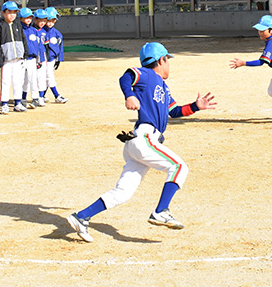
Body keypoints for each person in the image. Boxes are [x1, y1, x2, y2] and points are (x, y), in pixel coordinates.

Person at [66, 42, 216, 243]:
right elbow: (126, 76)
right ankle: (161, 211)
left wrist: (195, 106)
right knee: (179, 167)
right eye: (167, 60)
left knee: (123, 192)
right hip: (145, 138)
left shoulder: (163, 86)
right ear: (161, 60)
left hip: (139, 143)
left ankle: (81, 217)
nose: (169, 64)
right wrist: (129, 95)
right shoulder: (147, 75)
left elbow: (174, 111)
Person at [0, 1, 28, 114]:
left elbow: (23, 39)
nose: (12, 15)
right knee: (5, 82)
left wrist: (25, 53)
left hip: (18, 58)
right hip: (6, 60)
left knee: (18, 81)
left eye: (14, 12)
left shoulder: (18, 24)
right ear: (3, 13)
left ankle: (17, 103)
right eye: (9, 12)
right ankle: (4, 104)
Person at [19, 7, 45, 109]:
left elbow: (38, 46)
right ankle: (23, 98)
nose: (28, 19)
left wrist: (38, 60)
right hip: (22, 59)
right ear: (20, 18)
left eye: (30, 17)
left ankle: (35, 98)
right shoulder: (19, 30)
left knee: (33, 79)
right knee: (23, 80)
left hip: (32, 59)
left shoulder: (34, 31)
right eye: (26, 17)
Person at [39, 7, 67, 104]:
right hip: (43, 59)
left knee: (48, 76)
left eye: (53, 21)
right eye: (48, 21)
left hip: (52, 59)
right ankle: (56, 95)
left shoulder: (57, 34)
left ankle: (42, 95)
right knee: (48, 77)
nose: (50, 23)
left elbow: (60, 48)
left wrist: (59, 59)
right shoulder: (41, 32)